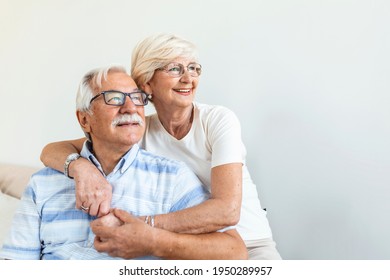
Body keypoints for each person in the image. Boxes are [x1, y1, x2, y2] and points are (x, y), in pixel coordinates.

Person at [40, 34, 281, 260]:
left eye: (194, 68)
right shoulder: (137, 130)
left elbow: (227, 211)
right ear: (146, 83)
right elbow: (51, 150)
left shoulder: (217, 120)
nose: (188, 78)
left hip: (249, 245)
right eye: (175, 69)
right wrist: (82, 168)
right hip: (184, 247)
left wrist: (143, 226)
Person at [0, 65, 247, 260]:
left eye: (137, 98)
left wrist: (153, 241)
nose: (130, 107)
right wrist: (80, 168)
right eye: (114, 98)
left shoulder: (172, 178)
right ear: (84, 120)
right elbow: (16, 264)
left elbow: (234, 253)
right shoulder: (42, 185)